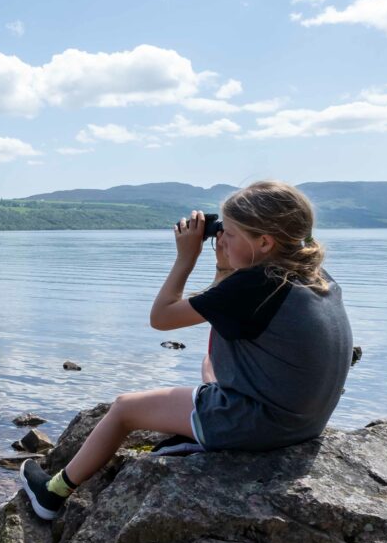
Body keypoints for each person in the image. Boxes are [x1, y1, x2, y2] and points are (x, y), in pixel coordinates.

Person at [20, 180, 353, 521]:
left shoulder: (256, 283)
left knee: (123, 409)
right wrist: (227, 264)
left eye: (232, 234)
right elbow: (227, 304)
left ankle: (53, 493)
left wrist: (186, 257)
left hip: (264, 424)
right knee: (208, 365)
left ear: (265, 242)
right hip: (305, 422)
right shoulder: (313, 275)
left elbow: (161, 317)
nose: (222, 239)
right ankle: (210, 424)